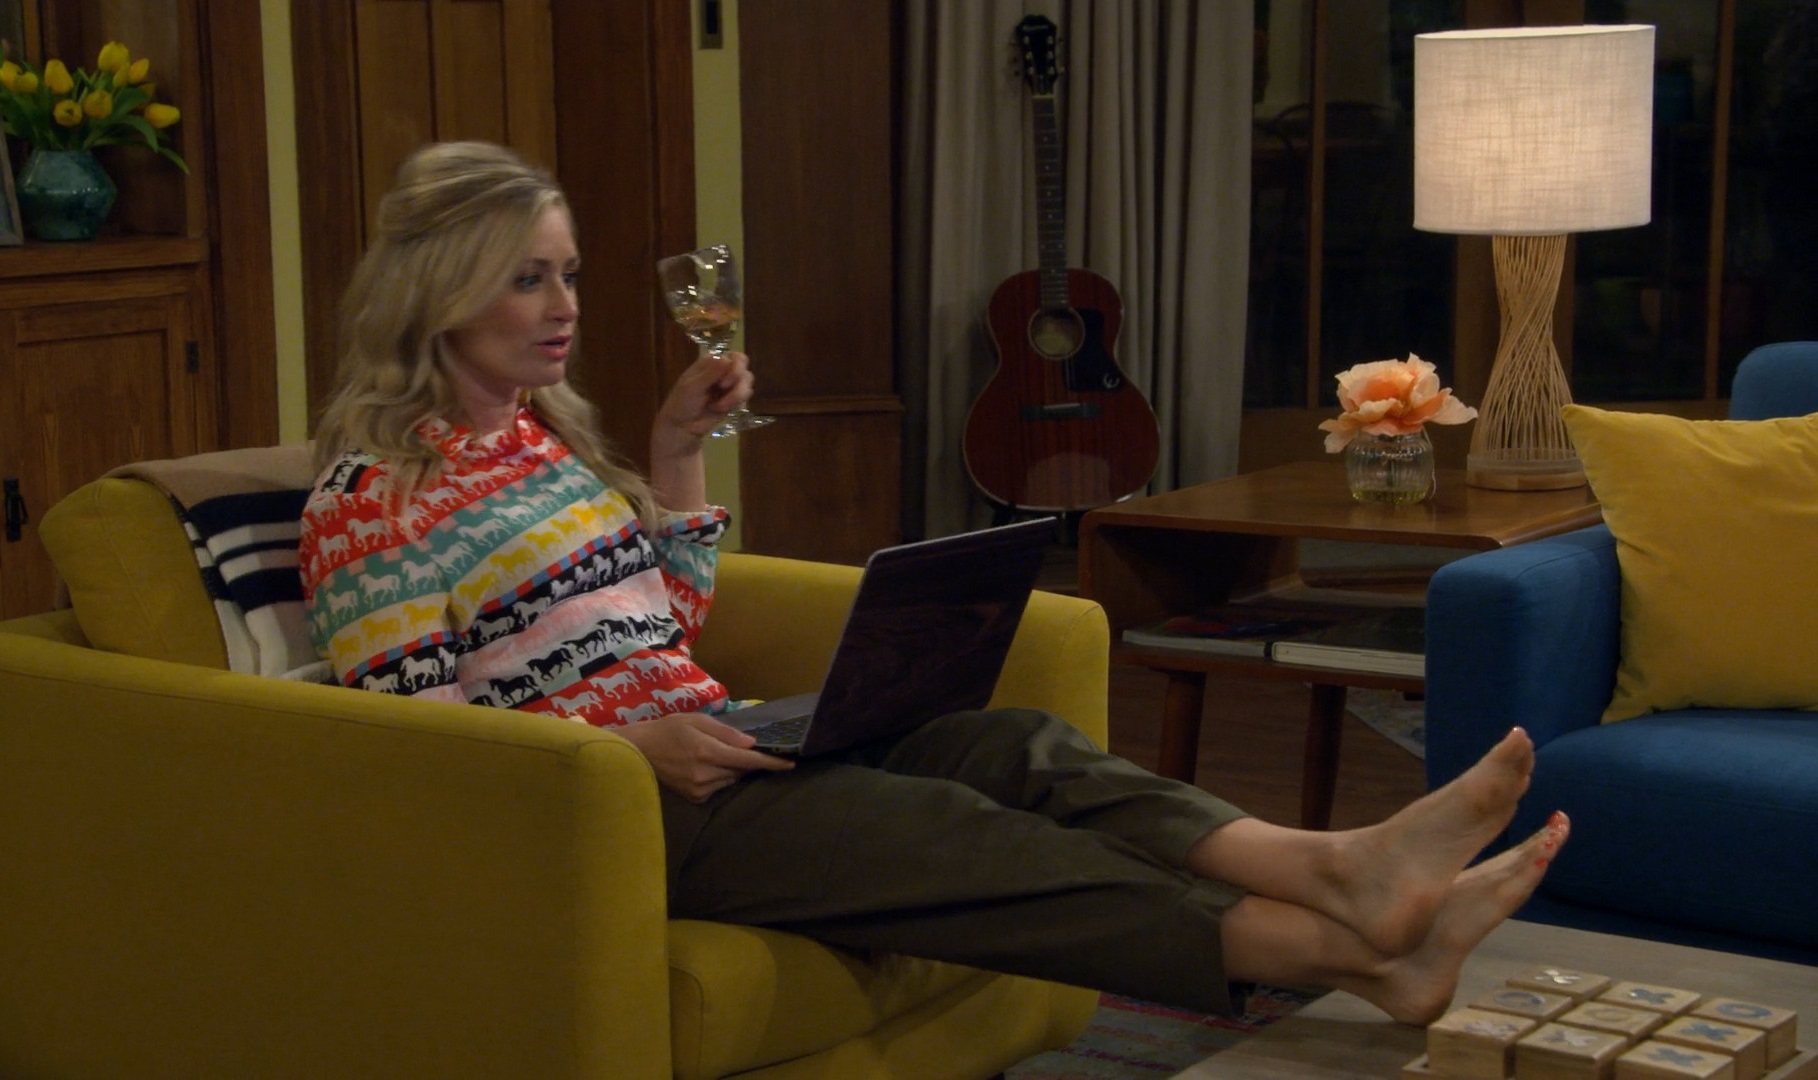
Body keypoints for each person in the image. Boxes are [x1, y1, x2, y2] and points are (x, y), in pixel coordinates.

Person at [299, 141, 1568, 1024]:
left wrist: (677, 453)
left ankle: (1337, 869)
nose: (563, 304)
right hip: (617, 813)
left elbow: (659, 626)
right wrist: (632, 751)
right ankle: (1353, 954)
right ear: (437, 290)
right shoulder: (374, 500)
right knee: (955, 836)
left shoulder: (539, 442)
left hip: (714, 745)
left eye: (568, 272)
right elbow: (418, 752)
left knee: (1010, 745)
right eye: (527, 276)